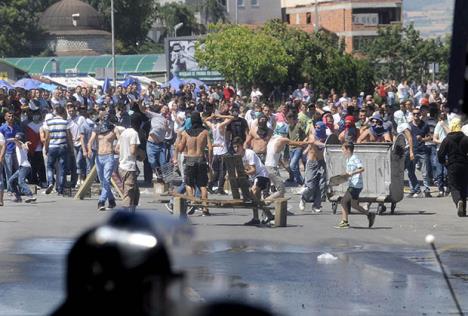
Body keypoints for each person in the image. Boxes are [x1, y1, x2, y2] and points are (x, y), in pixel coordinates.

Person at [232, 137, 274, 226]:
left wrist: (243, 172)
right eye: (234, 147)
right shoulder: (237, 156)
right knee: (255, 199)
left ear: (242, 146)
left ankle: (269, 214)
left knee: (252, 193)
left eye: (237, 147)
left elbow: (253, 170)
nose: (236, 149)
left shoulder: (249, 153)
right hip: (254, 178)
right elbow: (239, 171)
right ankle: (256, 218)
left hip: (262, 175)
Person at [175, 112, 212, 216]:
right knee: (203, 185)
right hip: (201, 159)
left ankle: (192, 202)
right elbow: (210, 148)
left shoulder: (186, 133)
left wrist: (178, 143)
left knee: (188, 184)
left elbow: (181, 148)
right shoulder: (205, 132)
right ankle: (205, 209)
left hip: (190, 160)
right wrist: (210, 161)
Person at [336, 141, 376, 229]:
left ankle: (345, 221)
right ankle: (369, 215)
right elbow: (348, 173)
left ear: (348, 149)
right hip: (353, 185)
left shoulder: (354, 158)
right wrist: (339, 179)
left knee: (343, 201)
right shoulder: (348, 160)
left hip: (356, 185)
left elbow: (362, 168)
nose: (342, 151)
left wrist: (352, 173)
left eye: (343, 149)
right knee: (354, 205)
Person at [437, 117, 468, 217]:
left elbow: (440, 154)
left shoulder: (447, 140)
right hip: (464, 165)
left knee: (454, 186)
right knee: (463, 186)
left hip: (452, 165)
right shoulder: (466, 139)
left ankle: (458, 201)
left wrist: (444, 163)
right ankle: (463, 210)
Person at [88, 116, 117, 211]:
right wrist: (89, 150)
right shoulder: (97, 129)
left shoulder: (114, 129)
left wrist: (117, 148)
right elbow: (90, 141)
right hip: (99, 157)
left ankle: (101, 201)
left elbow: (121, 139)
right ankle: (111, 200)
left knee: (106, 179)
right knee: (102, 180)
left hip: (109, 156)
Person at [44, 106, 74, 195]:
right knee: (62, 168)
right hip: (63, 146)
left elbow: (47, 138)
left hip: (52, 146)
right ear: (63, 113)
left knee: (49, 166)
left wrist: (46, 148)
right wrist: (71, 148)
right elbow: (69, 137)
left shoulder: (49, 122)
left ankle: (50, 182)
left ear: (56, 112)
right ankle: (60, 189)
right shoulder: (65, 122)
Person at [300, 121, 327, 213]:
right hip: (312, 163)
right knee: (310, 186)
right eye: (316, 127)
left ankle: (316, 205)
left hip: (322, 162)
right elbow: (315, 142)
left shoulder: (326, 137)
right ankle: (303, 198)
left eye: (319, 127)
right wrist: (325, 145)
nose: (317, 129)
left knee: (321, 185)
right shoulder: (312, 136)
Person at [116, 114, 142, 212]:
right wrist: (140, 153)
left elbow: (117, 149)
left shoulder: (124, 133)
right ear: (138, 124)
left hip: (122, 166)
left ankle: (132, 213)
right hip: (129, 166)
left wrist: (124, 152)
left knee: (135, 191)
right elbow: (133, 151)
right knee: (129, 193)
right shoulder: (134, 133)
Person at [204, 113, 233, 195]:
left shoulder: (213, 126)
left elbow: (205, 120)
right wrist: (222, 116)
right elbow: (232, 117)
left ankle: (210, 186)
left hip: (216, 151)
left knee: (216, 171)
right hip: (223, 150)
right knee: (223, 171)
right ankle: (220, 188)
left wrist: (211, 116)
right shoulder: (221, 125)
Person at [406, 108, 432, 198]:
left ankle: (427, 190)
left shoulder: (424, 125)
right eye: (414, 114)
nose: (416, 115)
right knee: (410, 171)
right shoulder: (409, 126)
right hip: (412, 150)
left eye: (417, 114)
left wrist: (422, 139)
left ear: (420, 114)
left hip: (422, 151)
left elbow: (430, 137)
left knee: (425, 172)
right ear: (412, 115)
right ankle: (413, 189)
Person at [8, 132, 36, 203]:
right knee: (11, 181)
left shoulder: (20, 144)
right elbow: (26, 147)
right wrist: (26, 143)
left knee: (21, 182)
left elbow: (15, 140)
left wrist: (6, 140)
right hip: (22, 167)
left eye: (17, 138)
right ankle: (18, 197)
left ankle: (30, 196)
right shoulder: (24, 145)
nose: (16, 140)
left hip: (24, 166)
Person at [0, 110, 20, 192]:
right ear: (5, 117)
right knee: (9, 172)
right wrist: (10, 140)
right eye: (9, 116)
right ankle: (10, 189)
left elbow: (21, 137)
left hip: (17, 151)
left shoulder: (17, 126)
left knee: (19, 170)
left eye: (12, 116)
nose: (11, 118)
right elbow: (1, 141)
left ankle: (18, 187)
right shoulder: (2, 128)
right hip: (7, 152)